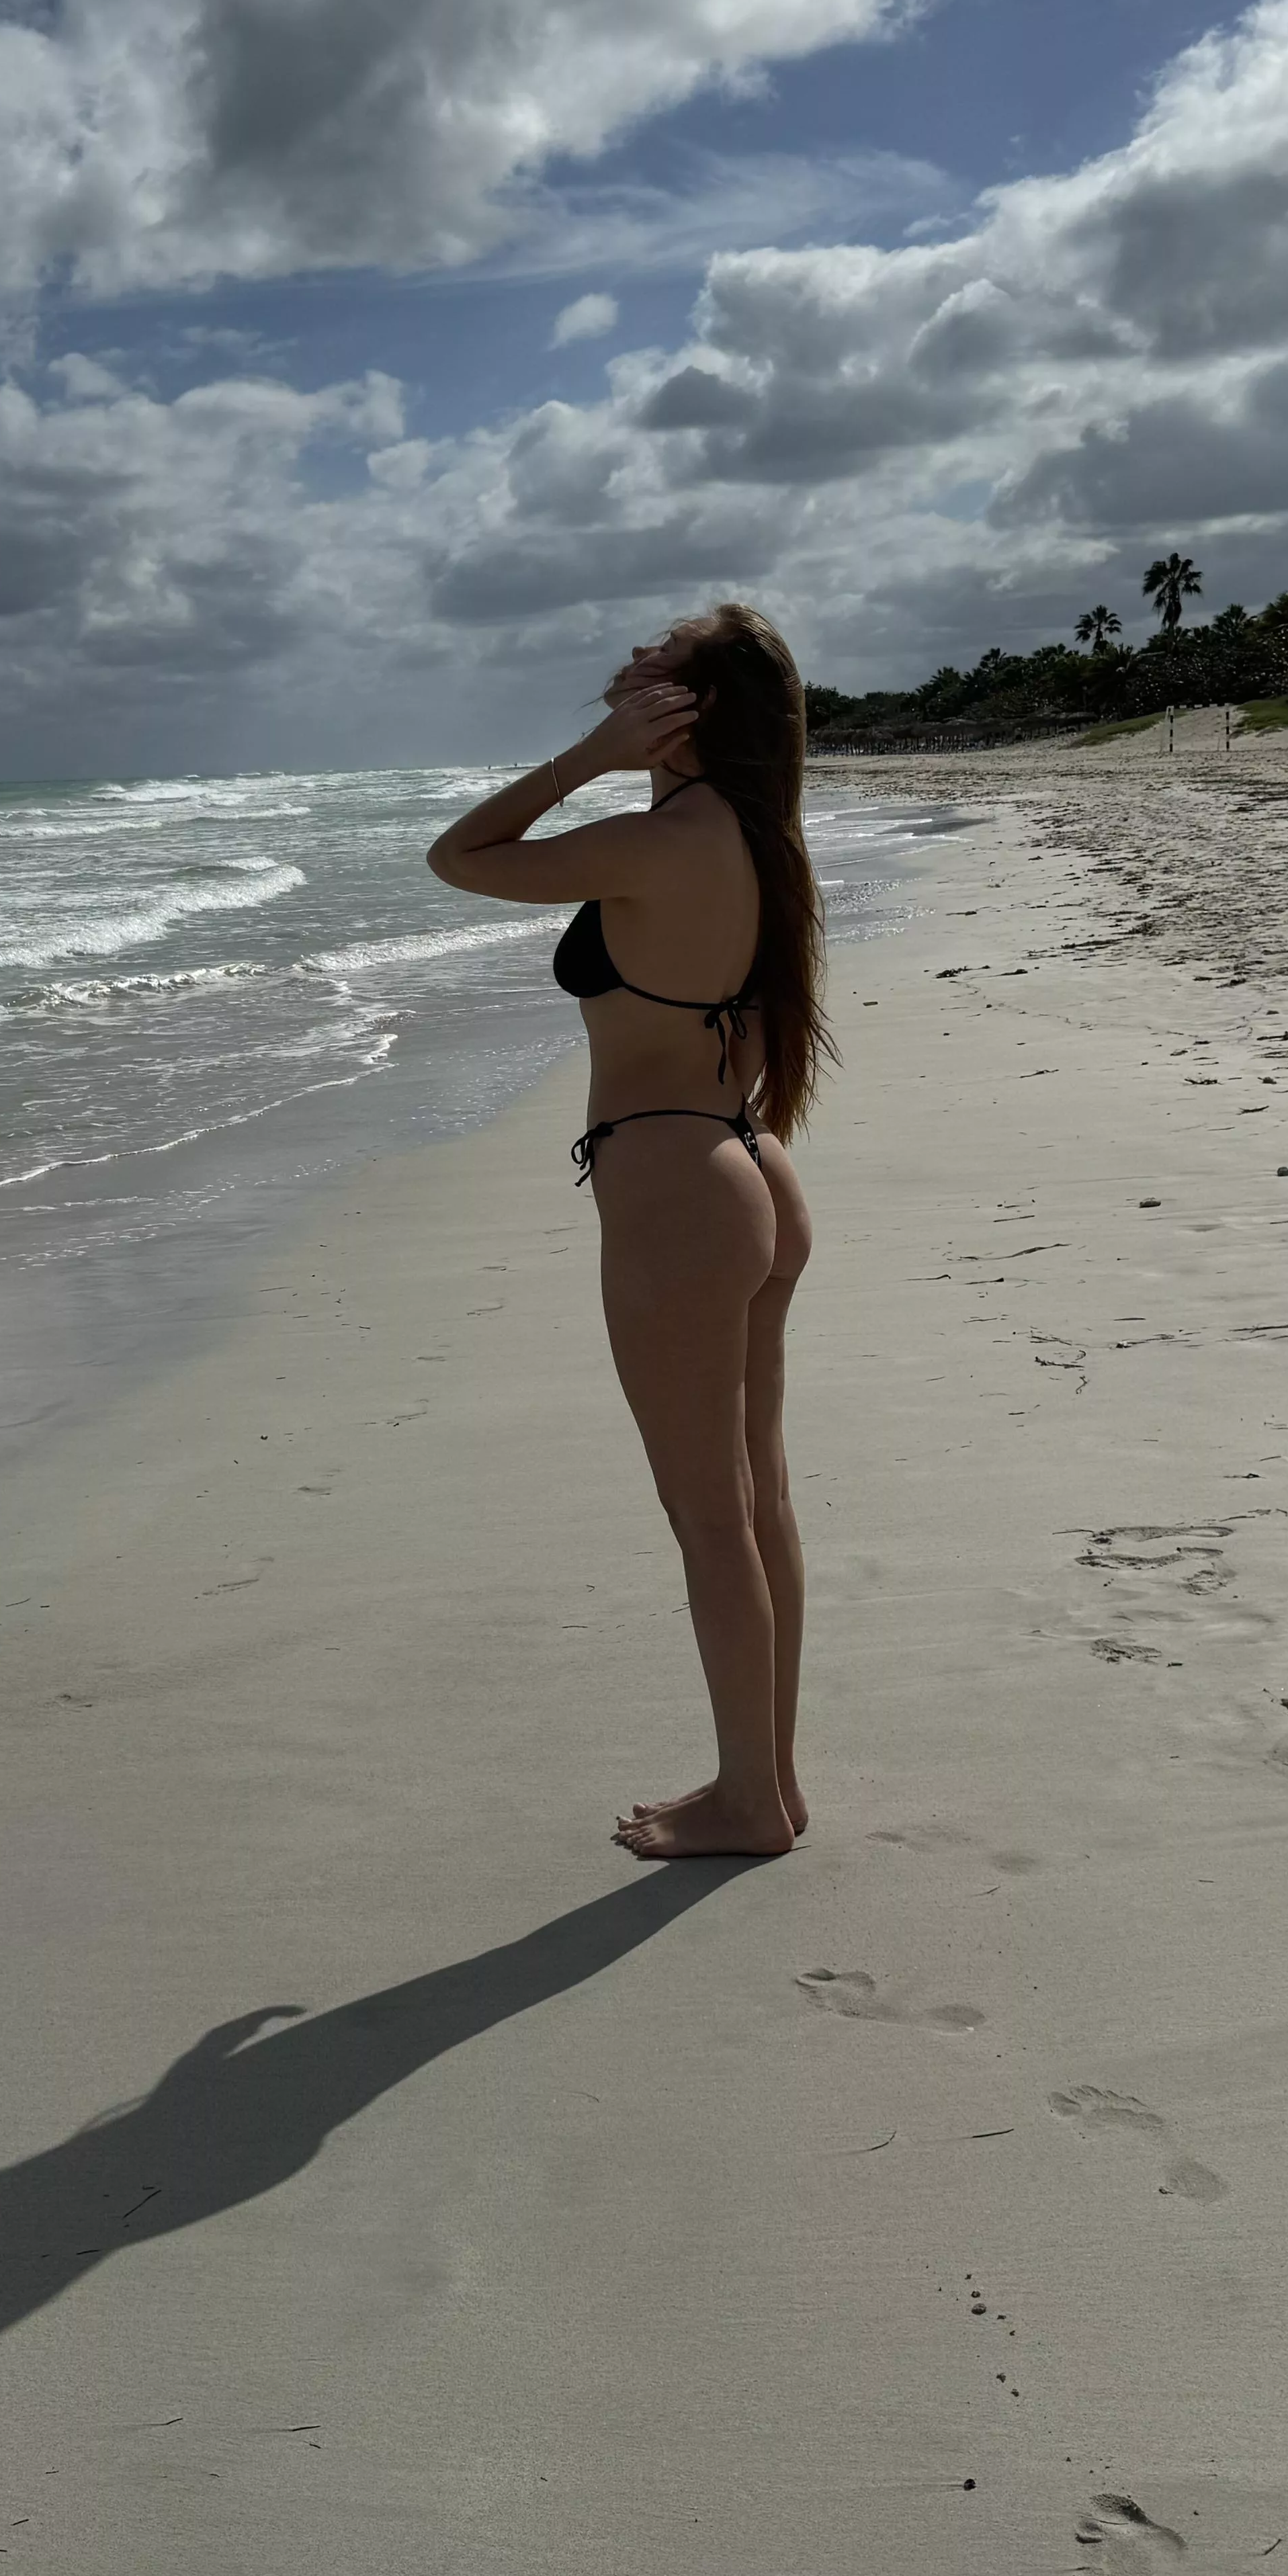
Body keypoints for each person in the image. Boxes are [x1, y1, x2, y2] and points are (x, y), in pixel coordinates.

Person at [427, 605, 826, 1857]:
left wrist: (590, 759)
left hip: (678, 1187)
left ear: (689, 706)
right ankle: (770, 1781)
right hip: (747, 1167)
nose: (641, 651)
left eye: (667, 653)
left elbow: (460, 856)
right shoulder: (757, 837)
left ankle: (750, 1801)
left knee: (712, 1516)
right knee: (757, 1500)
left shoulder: (662, 842)